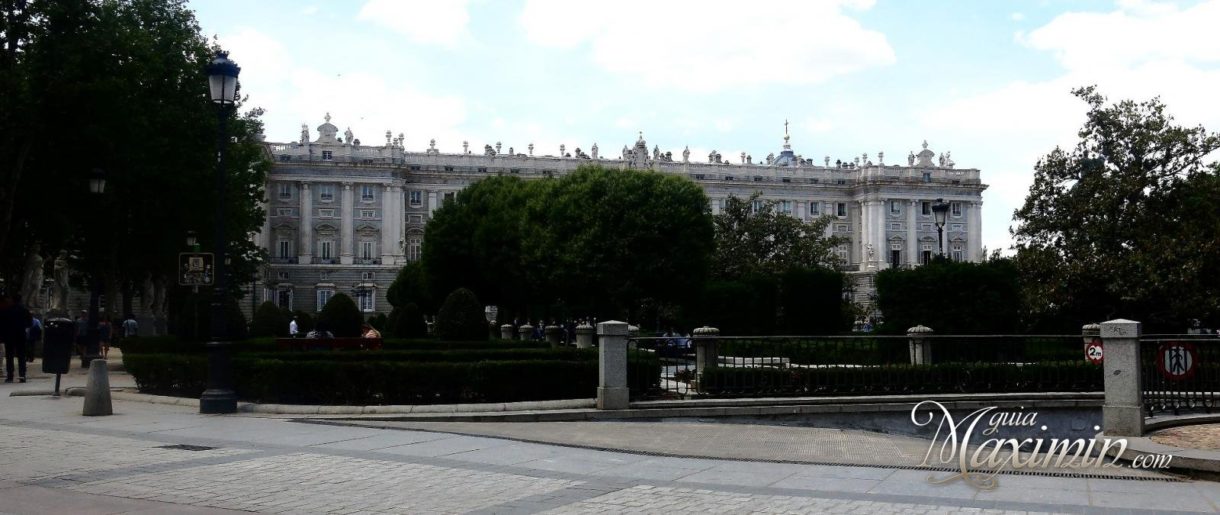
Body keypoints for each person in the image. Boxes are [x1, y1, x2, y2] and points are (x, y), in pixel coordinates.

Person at [0, 293, 33, 383]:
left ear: (12, 300)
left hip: (9, 336)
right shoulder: (25, 310)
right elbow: (30, 323)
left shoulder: (6, 310)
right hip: (21, 335)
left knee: (9, 356)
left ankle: (10, 376)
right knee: (21, 356)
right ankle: (22, 375)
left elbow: (2, 324)